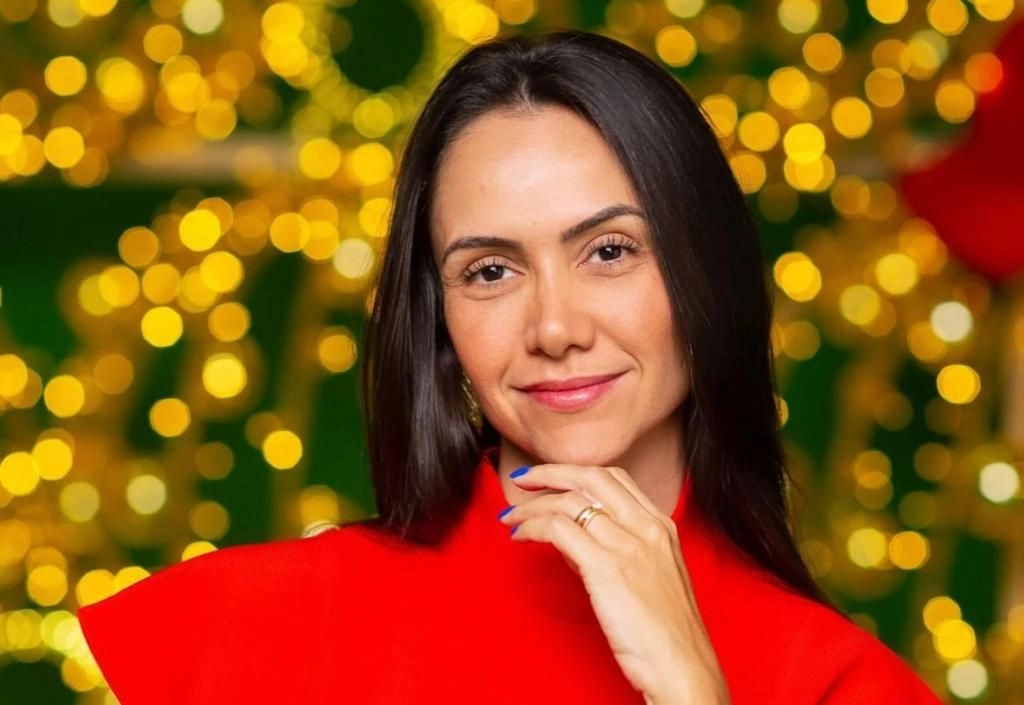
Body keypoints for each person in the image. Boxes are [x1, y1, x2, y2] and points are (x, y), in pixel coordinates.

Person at [76, 30, 945, 704]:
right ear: (440, 316)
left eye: (610, 251)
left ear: (705, 271)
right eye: (491, 270)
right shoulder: (255, 628)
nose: (554, 327)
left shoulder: (837, 680)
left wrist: (693, 692)